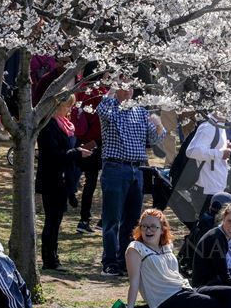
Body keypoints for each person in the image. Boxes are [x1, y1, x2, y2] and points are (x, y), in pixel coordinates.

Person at [96, 85, 165, 276]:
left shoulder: (140, 112)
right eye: (123, 88)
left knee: (132, 219)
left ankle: (124, 260)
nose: (127, 92)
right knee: (112, 218)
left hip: (137, 168)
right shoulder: (110, 108)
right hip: (115, 166)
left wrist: (158, 124)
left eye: (130, 88)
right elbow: (101, 110)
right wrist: (110, 91)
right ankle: (109, 262)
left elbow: (157, 137)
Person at [37, 94, 93, 269]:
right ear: (57, 106)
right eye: (67, 106)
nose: (69, 109)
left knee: (57, 220)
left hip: (63, 180)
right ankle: (49, 258)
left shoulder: (65, 125)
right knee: (51, 220)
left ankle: (54, 255)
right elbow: (54, 155)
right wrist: (77, 152)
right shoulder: (48, 126)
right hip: (51, 179)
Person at [72, 66, 106, 234]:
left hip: (82, 140)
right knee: (104, 181)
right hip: (98, 140)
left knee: (89, 182)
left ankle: (84, 219)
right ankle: (103, 219)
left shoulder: (79, 89)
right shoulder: (100, 92)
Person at [185, 113, 231, 215]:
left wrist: (225, 149)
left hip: (216, 186)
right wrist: (219, 153)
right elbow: (191, 151)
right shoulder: (208, 126)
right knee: (206, 226)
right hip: (207, 189)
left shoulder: (220, 125)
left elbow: (212, 149)